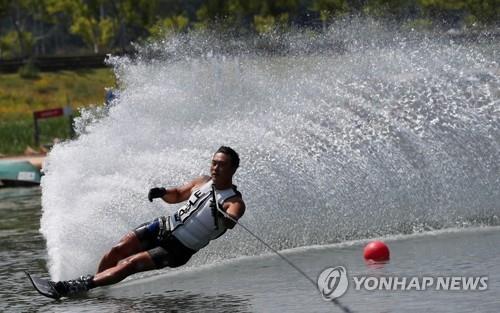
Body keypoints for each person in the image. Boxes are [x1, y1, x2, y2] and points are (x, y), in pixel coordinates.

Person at [51, 146, 245, 298]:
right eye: (214, 163)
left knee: (130, 263)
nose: (215, 168)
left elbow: (231, 220)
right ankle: (96, 287)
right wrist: (162, 193)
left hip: (178, 248)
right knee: (116, 251)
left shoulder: (233, 201)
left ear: (233, 169)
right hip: (163, 226)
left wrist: (223, 216)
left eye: (222, 165)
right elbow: (177, 195)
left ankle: (76, 286)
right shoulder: (202, 181)